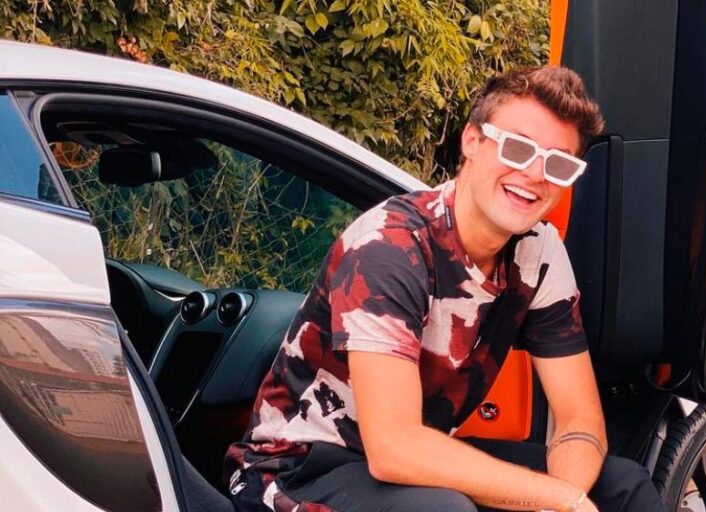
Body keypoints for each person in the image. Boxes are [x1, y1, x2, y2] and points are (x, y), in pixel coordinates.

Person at [224, 66, 665, 512]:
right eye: (517, 148)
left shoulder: (539, 252)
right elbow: (394, 448)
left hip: (416, 461)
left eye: (559, 163)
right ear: (472, 140)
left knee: (620, 486)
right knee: (442, 509)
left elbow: (579, 418)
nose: (536, 174)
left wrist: (564, 498)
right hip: (298, 470)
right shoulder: (391, 246)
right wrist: (558, 498)